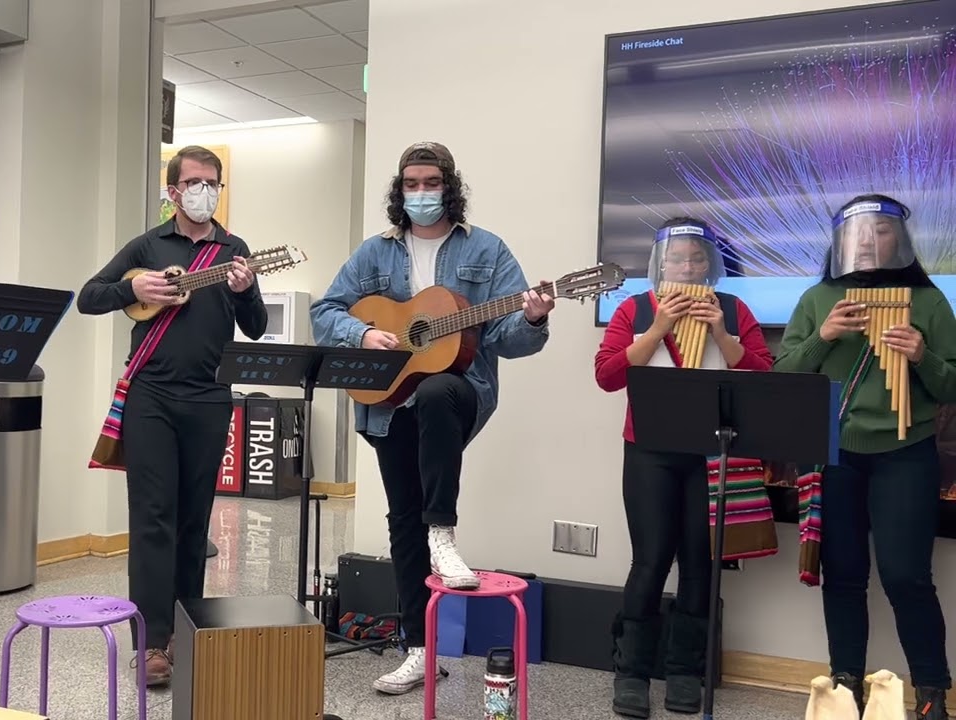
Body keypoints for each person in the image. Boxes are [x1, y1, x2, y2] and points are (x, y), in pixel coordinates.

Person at [311, 141, 556, 695]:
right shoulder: (374, 253)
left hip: (459, 392)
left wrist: (534, 318)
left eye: (431, 183)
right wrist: (364, 333)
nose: (421, 193)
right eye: (411, 184)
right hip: (387, 401)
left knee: (441, 387)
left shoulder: (487, 250)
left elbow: (507, 340)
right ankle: (418, 651)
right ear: (400, 192)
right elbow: (325, 311)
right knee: (402, 522)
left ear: (450, 186)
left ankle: (443, 530)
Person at [77, 145, 267, 687]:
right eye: (194, 182)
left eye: (213, 182)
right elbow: (88, 298)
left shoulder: (235, 250)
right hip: (151, 398)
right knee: (154, 518)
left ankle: (187, 631)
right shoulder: (147, 245)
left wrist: (247, 289)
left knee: (193, 521)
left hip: (209, 398)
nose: (204, 191)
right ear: (173, 191)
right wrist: (131, 288)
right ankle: (152, 642)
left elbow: (253, 326)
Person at [775, 194, 955, 720]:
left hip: (905, 452)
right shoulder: (817, 298)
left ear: (899, 240)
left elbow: (954, 383)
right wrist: (824, 337)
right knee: (845, 572)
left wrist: (922, 356)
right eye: (860, 233)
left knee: (906, 576)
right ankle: (844, 684)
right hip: (836, 452)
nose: (870, 241)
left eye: (882, 232)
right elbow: (784, 376)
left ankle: (931, 689)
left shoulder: (929, 301)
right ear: (841, 243)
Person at [593, 217, 772, 717]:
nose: (688, 267)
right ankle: (631, 672)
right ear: (660, 264)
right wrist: (658, 328)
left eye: (697, 259)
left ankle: (685, 670)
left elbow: (763, 375)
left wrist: (720, 332)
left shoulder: (734, 310)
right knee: (650, 561)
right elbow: (607, 376)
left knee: (700, 564)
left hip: (714, 455)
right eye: (677, 258)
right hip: (649, 450)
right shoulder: (635, 308)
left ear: (711, 265)